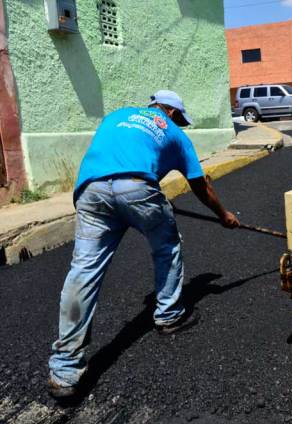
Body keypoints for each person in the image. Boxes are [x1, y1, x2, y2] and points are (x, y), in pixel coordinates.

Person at [47, 90, 240, 399]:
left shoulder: (116, 116)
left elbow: (114, 159)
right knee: (167, 247)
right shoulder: (174, 132)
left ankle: (65, 370)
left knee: (83, 272)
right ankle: (169, 315)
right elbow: (200, 184)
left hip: (90, 191)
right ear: (174, 114)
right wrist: (224, 215)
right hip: (137, 188)